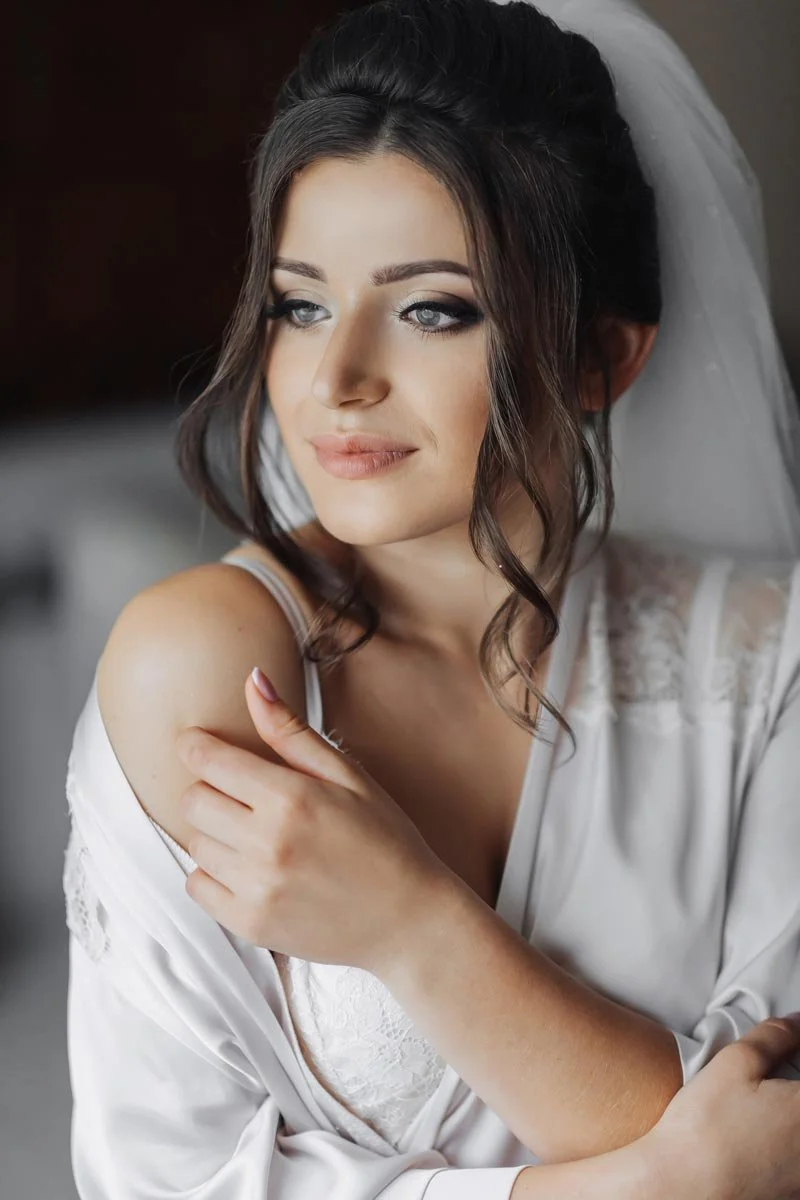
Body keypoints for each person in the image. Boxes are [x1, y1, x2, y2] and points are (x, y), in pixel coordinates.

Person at [62, 0, 800, 1196]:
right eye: (300, 304)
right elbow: (162, 1179)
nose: (334, 379)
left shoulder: (772, 665)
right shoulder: (212, 667)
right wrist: (654, 1182)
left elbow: (773, 1133)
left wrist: (414, 926)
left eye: (430, 309)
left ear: (602, 355)